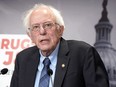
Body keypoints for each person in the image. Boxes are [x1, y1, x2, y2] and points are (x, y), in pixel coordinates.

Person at [10, 3, 109, 87]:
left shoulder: (83, 54)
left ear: (60, 30)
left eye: (48, 25)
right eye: (35, 27)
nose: (42, 31)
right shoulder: (22, 59)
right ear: (30, 35)